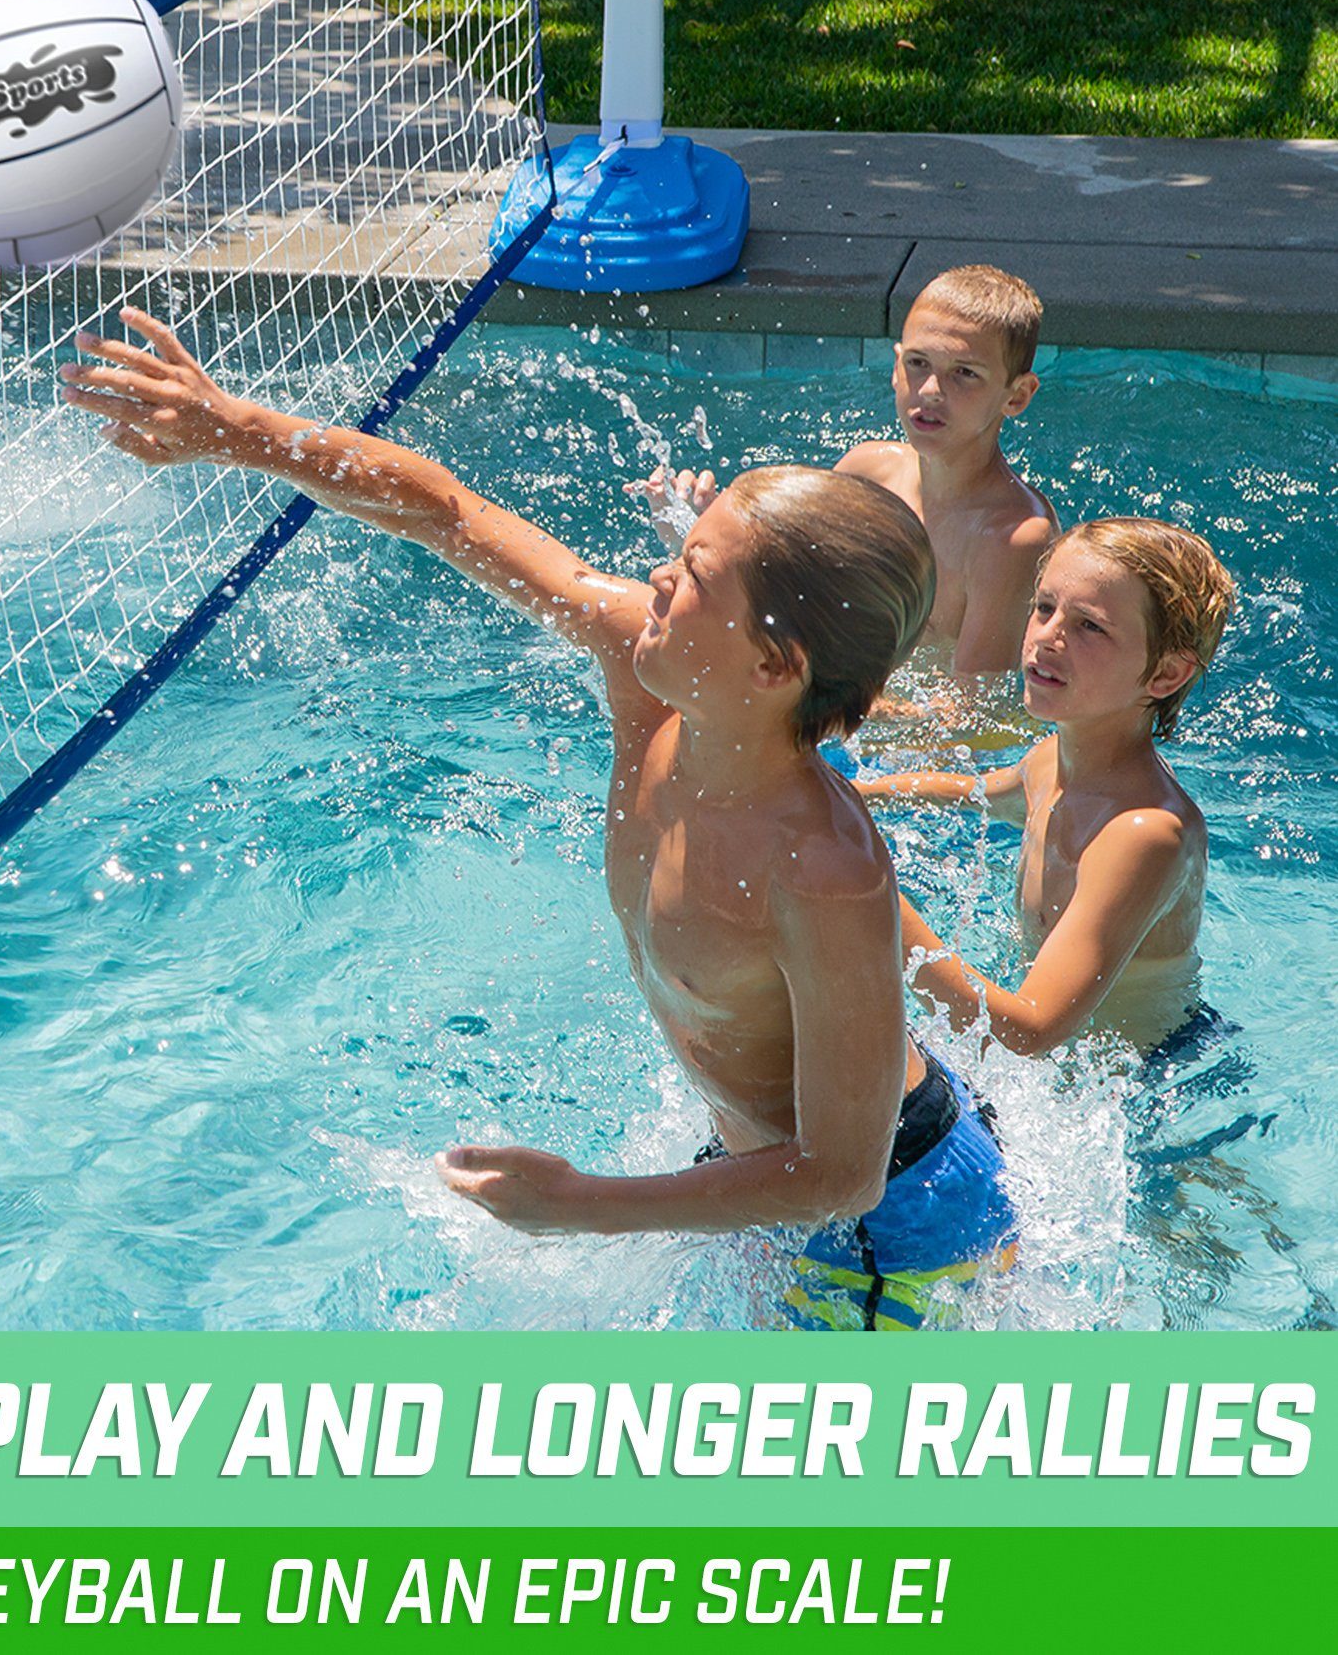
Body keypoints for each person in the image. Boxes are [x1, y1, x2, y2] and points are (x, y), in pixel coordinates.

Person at [61, 309, 1017, 1331]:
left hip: (890, 1231)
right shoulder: (647, 675)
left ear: (774, 666)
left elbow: (839, 1177)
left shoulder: (822, 871)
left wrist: (589, 1207)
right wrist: (234, 431)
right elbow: (450, 513)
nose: (655, 578)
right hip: (775, 1169)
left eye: (693, 577)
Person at [857, 518, 1235, 1060]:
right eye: (1044, 608)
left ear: (1167, 675)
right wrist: (852, 793)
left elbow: (1031, 1031)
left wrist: (871, 901)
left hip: (1150, 1081)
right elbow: (976, 792)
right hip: (1064, 1064)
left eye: (1090, 627)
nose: (1047, 637)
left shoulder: (1144, 834)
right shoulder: (1049, 761)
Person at [644, 265, 1059, 679]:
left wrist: (817, 691)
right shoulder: (868, 472)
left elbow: (969, 719)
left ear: (1017, 395)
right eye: (918, 362)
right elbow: (790, 592)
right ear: (896, 368)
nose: (931, 390)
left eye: (965, 373)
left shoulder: (1011, 539)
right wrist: (701, 548)